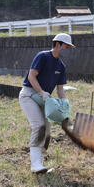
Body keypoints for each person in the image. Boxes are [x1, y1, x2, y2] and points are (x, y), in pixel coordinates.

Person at [19, 33, 75, 173]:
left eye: (69, 48)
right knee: (39, 125)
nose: (67, 50)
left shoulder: (61, 66)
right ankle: (35, 165)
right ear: (57, 44)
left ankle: (40, 162)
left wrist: (64, 104)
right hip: (29, 95)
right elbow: (31, 76)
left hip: (45, 99)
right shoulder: (43, 56)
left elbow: (60, 89)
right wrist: (41, 92)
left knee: (47, 132)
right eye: (66, 46)